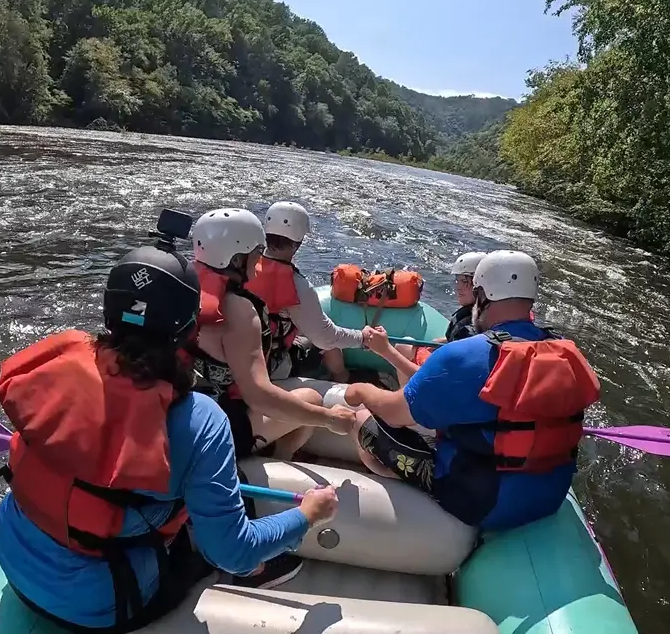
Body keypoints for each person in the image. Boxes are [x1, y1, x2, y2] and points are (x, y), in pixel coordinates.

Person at [0, 214, 339, 633]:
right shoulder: (199, 420)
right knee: (227, 524)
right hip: (103, 605)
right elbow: (235, 551)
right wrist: (308, 515)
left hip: (13, 562)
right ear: (189, 326)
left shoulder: (59, 370)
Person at [342, 250, 603, 531]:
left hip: (483, 503)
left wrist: (361, 390)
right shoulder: (562, 351)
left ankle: (410, 500)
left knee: (361, 421)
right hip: (549, 497)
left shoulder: (465, 355)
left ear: (482, 296)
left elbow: (394, 414)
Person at [187, 207, 358, 461]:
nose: (259, 264)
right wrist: (329, 419)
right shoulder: (240, 310)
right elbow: (259, 397)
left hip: (182, 410)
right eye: (256, 254)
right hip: (215, 428)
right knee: (312, 399)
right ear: (235, 259)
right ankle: (281, 457)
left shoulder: (184, 283)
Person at [244, 201, 366, 383]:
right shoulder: (297, 285)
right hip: (271, 368)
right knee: (330, 346)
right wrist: (362, 338)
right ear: (297, 243)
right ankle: (343, 380)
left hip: (240, 356)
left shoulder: (244, 266)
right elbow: (326, 337)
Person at [390, 251, 487, 379]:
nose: (458, 287)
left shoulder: (473, 326)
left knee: (404, 345)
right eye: (457, 280)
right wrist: (444, 341)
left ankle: (404, 396)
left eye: (465, 281)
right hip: (453, 370)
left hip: (449, 378)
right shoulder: (485, 312)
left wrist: (385, 350)